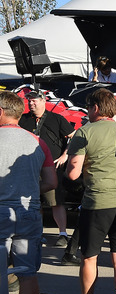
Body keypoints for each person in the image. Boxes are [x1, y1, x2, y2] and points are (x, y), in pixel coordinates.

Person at [63, 88, 116, 294]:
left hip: (96, 202)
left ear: (95, 108)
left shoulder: (85, 131)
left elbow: (72, 173)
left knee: (90, 257)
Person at [0, 90, 57, 294]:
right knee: (27, 274)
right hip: (27, 212)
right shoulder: (37, 142)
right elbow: (51, 182)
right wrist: (31, 191)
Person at [19, 90, 76, 248]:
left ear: (43, 101)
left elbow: (74, 136)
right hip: (30, 167)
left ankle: (63, 234)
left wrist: (66, 154)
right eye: (29, 100)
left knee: (55, 201)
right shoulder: (23, 120)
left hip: (51, 167)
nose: (31, 103)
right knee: (34, 201)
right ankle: (38, 233)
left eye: (34, 100)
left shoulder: (56, 119)